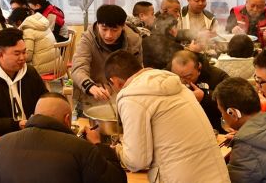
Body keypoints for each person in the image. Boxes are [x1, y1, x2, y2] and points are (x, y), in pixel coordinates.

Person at [97, 51, 230, 183]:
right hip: (218, 176)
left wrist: (116, 151)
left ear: (114, 81)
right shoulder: (177, 85)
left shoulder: (131, 97)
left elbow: (137, 161)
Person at [0, 92, 126, 183]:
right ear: (67, 119)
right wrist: (98, 145)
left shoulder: (0, 145)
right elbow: (116, 180)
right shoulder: (82, 149)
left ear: (34, 115)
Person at [0, 28, 48, 145]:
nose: (22, 58)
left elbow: (44, 97)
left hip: (34, 131)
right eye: (17, 54)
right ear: (1, 55)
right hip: (2, 140)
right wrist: (16, 124)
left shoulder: (30, 73)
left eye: (24, 52)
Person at [70, 5, 142, 104]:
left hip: (122, 93)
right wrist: (90, 86)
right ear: (98, 24)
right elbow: (78, 67)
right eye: (104, 29)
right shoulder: (88, 39)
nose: (109, 35)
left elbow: (138, 72)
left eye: (114, 30)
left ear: (123, 27)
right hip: (91, 94)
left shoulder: (133, 41)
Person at [170, 49, 229, 133]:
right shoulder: (166, 75)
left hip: (212, 127)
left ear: (199, 68)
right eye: (177, 76)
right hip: (179, 127)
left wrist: (205, 96)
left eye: (188, 77)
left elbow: (230, 103)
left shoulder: (218, 76)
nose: (182, 81)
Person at [7, 7, 57, 75]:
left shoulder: (28, 31)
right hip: (56, 65)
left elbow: (28, 57)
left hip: (41, 69)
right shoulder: (41, 24)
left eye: (14, 26)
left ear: (19, 22)